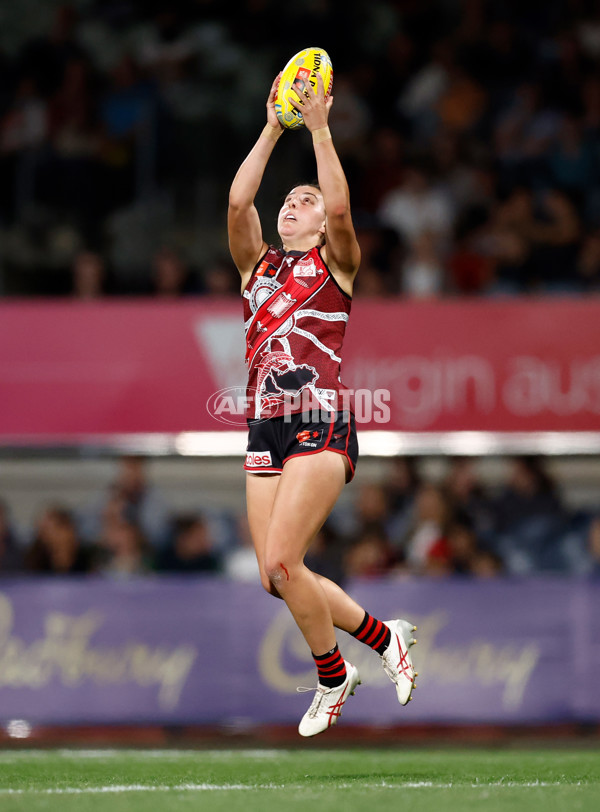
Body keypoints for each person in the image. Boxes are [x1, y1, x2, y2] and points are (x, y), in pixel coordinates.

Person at [227, 71, 417, 738]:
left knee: (283, 561)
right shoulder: (257, 267)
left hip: (320, 418)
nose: (294, 204)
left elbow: (340, 212)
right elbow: (236, 202)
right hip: (262, 428)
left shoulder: (337, 266)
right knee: (276, 577)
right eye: (289, 198)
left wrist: (319, 131)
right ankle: (382, 637)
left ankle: (334, 677)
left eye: (302, 199)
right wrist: (273, 126)